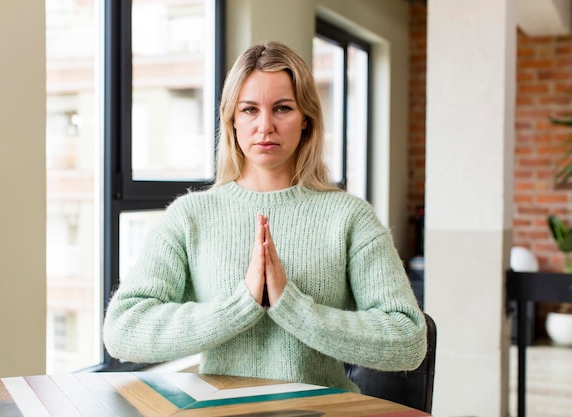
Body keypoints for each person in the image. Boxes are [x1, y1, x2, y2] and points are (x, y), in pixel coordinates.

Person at [103, 41, 427, 393]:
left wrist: (291, 306)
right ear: (232, 120)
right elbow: (122, 331)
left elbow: (408, 340)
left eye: (283, 108)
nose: (265, 126)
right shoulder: (189, 216)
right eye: (250, 110)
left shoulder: (349, 217)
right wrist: (241, 306)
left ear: (306, 120)